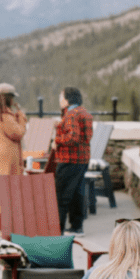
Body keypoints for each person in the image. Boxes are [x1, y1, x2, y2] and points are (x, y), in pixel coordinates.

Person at [0, 83, 27, 236]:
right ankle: (1, 226)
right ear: (8, 98)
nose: (13, 100)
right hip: (7, 158)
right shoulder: (4, 116)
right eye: (12, 97)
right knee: (7, 192)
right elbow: (18, 133)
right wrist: (21, 118)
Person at [52, 86, 93, 235]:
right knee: (77, 194)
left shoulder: (71, 115)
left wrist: (57, 140)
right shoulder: (84, 112)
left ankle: (58, 230)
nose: (60, 100)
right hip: (83, 160)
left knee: (61, 196)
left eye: (61, 97)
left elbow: (73, 137)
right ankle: (77, 227)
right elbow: (84, 136)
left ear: (67, 99)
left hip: (69, 160)